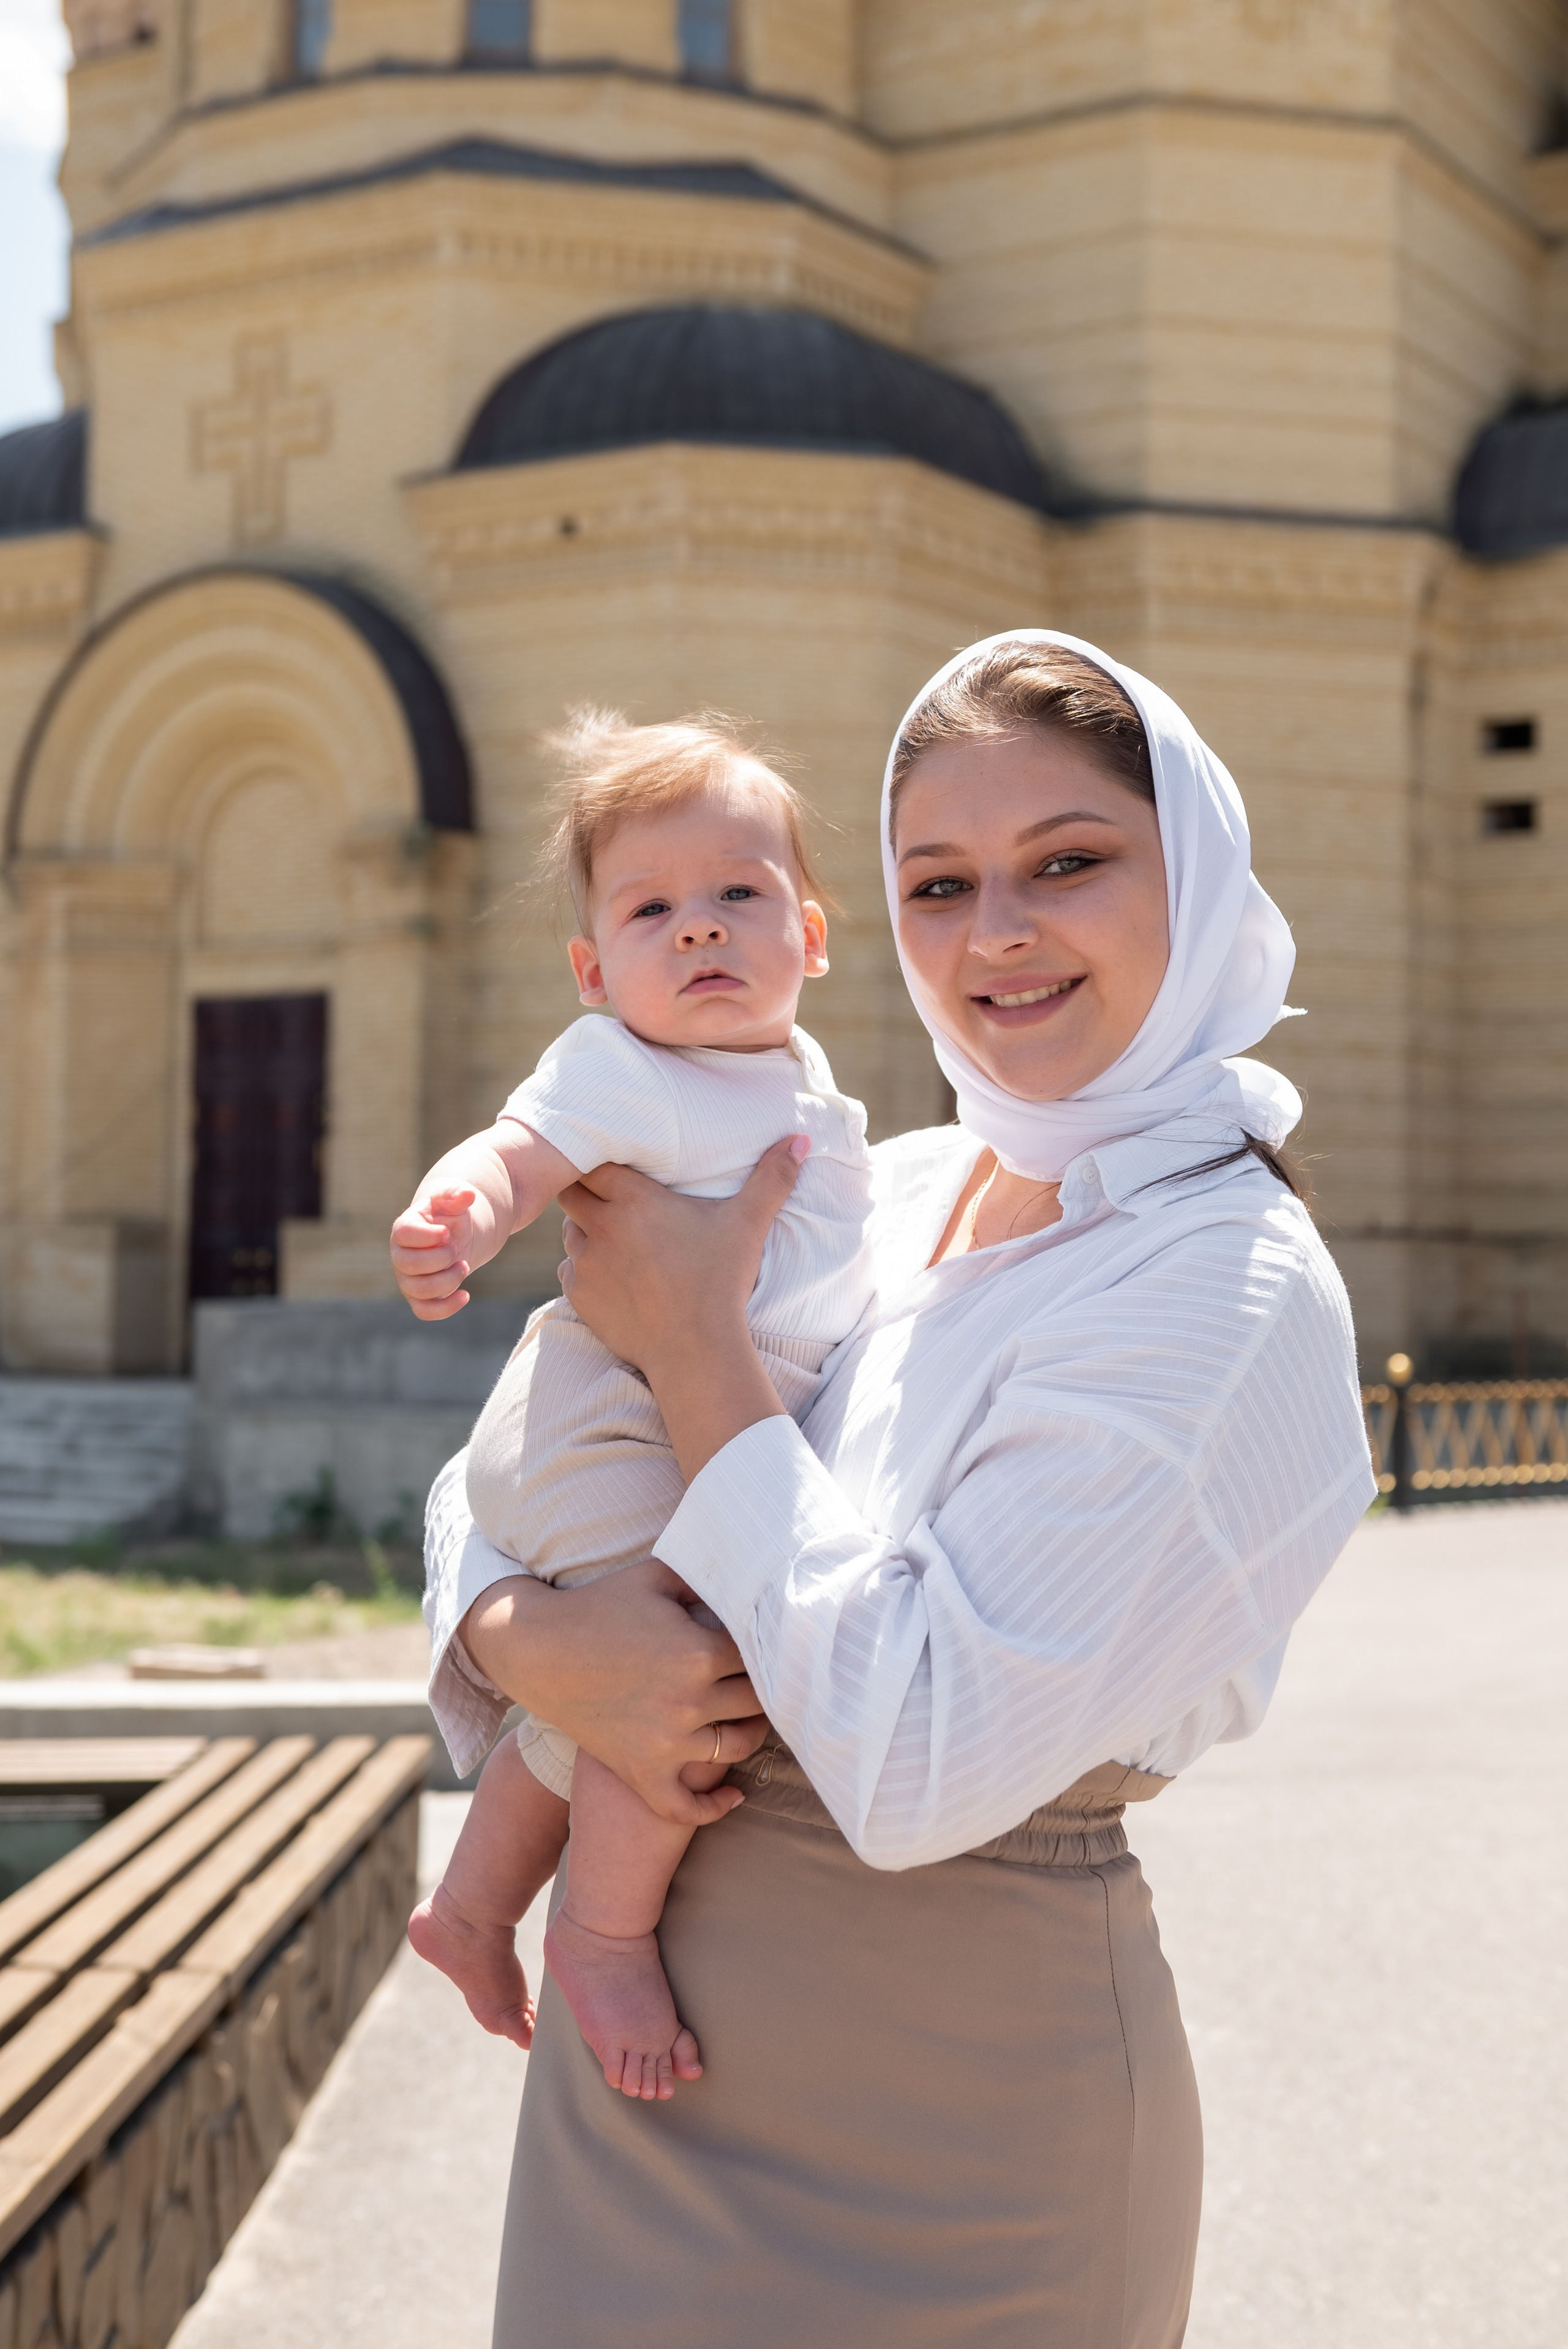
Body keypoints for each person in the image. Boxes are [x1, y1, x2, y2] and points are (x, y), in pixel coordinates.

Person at [423, 632, 1376, 2347]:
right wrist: (521, 1633)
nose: (996, 931)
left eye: (1068, 862)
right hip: (634, 2093)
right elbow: (512, 1461)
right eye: (940, 881)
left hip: (955, 2137)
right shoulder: (890, 1180)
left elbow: (916, 1761)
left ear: (1204, 881)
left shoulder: (1227, 1290)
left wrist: (697, 1340)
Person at [391, 714, 873, 2100]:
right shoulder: (623, 1067)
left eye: (738, 893)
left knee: (622, 1669)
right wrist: (459, 1216)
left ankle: (470, 1906)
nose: (700, 930)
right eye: (652, 908)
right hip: (597, 1418)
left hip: (667, 1426)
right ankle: (600, 1932)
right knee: (674, 1669)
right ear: (596, 971)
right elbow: (515, 1150)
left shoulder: (811, 1090)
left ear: (812, 932)